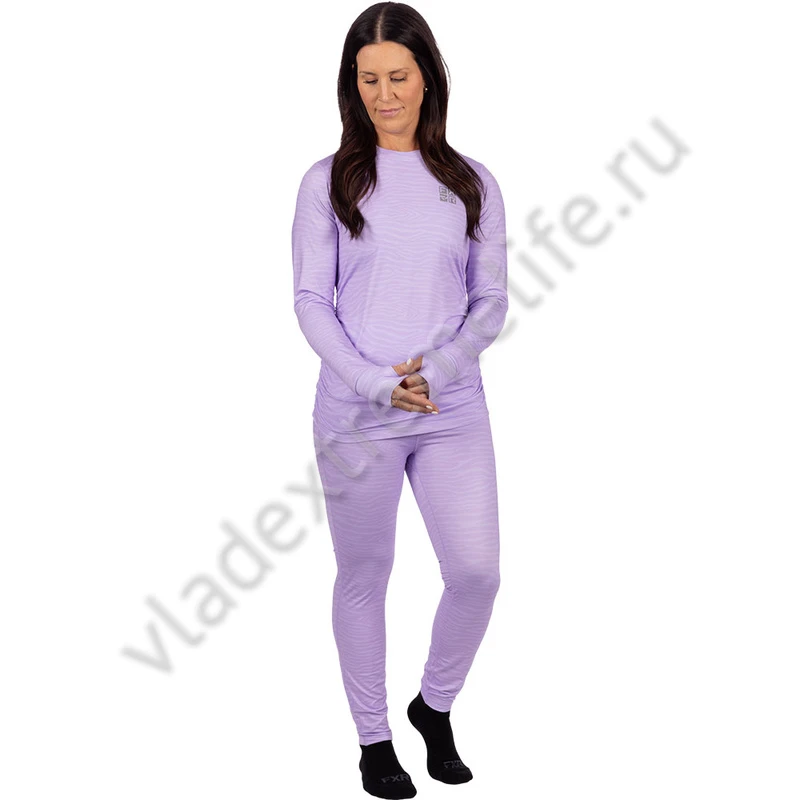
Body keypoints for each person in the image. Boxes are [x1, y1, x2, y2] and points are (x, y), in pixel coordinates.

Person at [291, 3, 508, 797]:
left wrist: (438, 370)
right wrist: (375, 382)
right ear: (352, 85)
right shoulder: (328, 182)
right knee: (365, 572)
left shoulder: (471, 182)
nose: (384, 95)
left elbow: (491, 299)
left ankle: (433, 705)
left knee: (477, 572)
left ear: (428, 78)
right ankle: (374, 739)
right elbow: (311, 300)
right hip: (357, 415)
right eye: (369, 79)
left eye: (399, 77)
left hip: (452, 411)